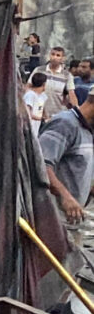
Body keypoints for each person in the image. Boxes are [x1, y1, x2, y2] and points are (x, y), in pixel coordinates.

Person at [40, 85, 94, 225]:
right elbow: (41, 164)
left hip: (73, 219)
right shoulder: (64, 124)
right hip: (54, 221)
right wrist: (66, 197)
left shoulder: (87, 131)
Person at [43, 46, 75, 115]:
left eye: (58, 55)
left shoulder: (67, 75)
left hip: (58, 114)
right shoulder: (39, 70)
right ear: (49, 55)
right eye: (53, 54)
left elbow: (71, 94)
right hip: (39, 114)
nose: (54, 57)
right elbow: (29, 88)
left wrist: (76, 110)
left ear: (62, 58)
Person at [25, 71, 50, 138]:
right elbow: (27, 112)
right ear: (44, 84)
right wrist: (40, 118)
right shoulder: (30, 95)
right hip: (30, 126)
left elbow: (43, 108)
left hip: (37, 127)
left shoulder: (43, 96)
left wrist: (47, 118)